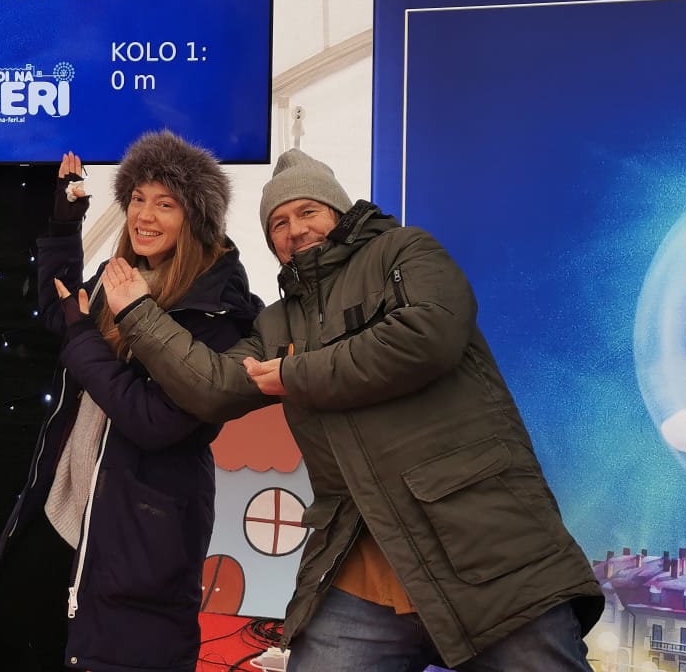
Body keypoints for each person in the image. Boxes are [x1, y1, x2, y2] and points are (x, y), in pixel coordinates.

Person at [101, 148, 605, 672]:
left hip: (488, 550)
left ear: (339, 212)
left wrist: (296, 373)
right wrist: (138, 313)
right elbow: (213, 387)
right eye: (278, 222)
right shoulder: (276, 323)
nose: (295, 230)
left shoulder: (405, 251)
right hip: (360, 568)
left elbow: (427, 337)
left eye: (307, 211)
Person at [0, 131, 263, 672]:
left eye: (166, 203)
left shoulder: (218, 313)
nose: (144, 215)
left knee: (121, 656)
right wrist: (65, 225)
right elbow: (63, 313)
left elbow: (152, 419)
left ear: (196, 219)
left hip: (140, 528)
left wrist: (81, 334)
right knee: (22, 643)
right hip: (62, 505)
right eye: (137, 198)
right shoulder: (121, 277)